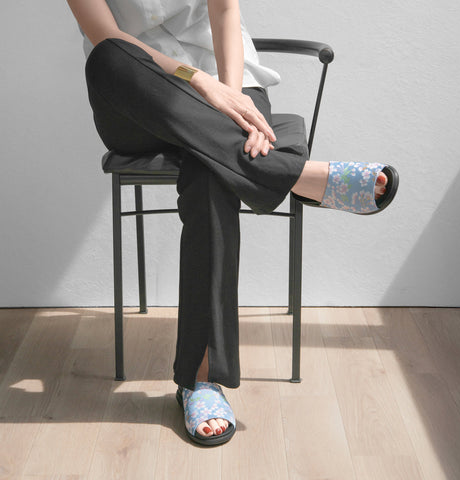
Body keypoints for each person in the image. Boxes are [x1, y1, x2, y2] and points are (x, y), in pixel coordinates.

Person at [66, 0, 398, 446]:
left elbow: (224, 12)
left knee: (210, 171)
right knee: (108, 57)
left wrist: (229, 92)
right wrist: (198, 82)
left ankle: (201, 382)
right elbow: (106, 36)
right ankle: (297, 177)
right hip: (140, 95)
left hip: (231, 81)